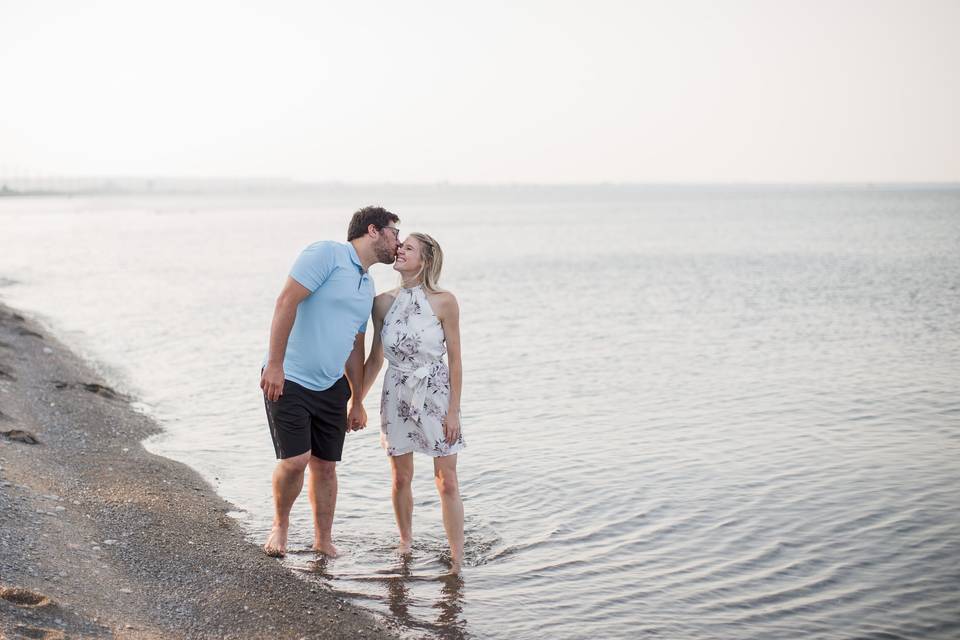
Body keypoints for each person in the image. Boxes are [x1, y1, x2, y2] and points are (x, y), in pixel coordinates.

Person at [260, 206, 400, 558]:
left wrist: (356, 400)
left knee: (325, 466)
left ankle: (323, 540)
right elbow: (286, 301)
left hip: (330, 386)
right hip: (290, 376)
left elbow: (356, 345)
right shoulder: (327, 254)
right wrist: (275, 365)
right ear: (373, 230)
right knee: (296, 460)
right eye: (394, 233)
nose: (398, 241)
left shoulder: (366, 284)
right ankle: (280, 526)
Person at [357, 232, 466, 573]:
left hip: (435, 392)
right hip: (396, 392)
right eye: (400, 247)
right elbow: (375, 359)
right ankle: (405, 545)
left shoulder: (445, 302)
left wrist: (453, 412)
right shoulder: (381, 303)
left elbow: (456, 361)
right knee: (400, 477)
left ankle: (457, 558)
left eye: (408, 248)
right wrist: (354, 401)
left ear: (427, 260)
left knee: (446, 479)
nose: (399, 251)